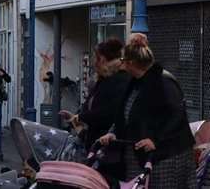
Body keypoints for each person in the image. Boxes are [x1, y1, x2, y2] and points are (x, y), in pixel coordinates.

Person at [99, 33, 195, 187]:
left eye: (123, 60)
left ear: (131, 63)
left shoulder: (164, 82)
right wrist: (113, 132)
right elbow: (125, 115)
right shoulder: (134, 84)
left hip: (166, 156)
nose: (121, 64)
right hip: (138, 155)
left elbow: (177, 116)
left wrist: (156, 139)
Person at [59, 38, 130, 149]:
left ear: (101, 59)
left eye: (94, 57)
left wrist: (81, 117)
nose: (92, 62)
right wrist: (76, 118)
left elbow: (109, 112)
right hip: (94, 144)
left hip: (107, 148)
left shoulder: (118, 81)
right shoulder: (102, 81)